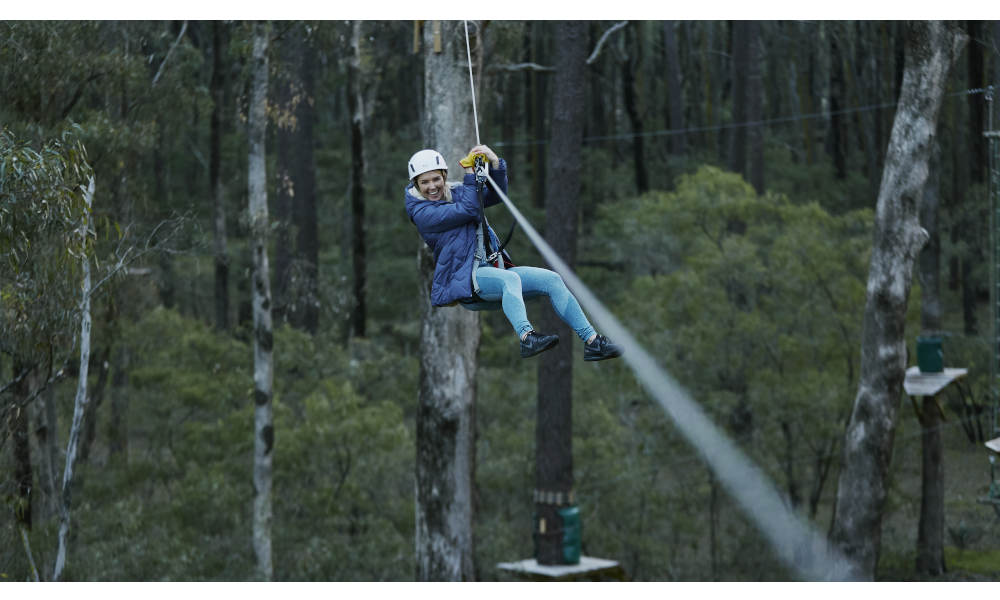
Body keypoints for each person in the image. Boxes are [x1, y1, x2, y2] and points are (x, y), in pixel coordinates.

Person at [404, 145, 622, 361]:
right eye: (424, 182)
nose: (432, 186)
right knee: (511, 279)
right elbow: (469, 209)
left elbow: (495, 196)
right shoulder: (422, 212)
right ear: (416, 184)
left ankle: (592, 342)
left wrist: (495, 164)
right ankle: (527, 337)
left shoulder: (457, 192)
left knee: (552, 280)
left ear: (444, 176)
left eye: (436, 179)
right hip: (467, 281)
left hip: (490, 270)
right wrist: (471, 176)